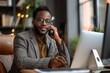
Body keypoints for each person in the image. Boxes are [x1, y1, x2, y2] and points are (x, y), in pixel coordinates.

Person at [9, 6, 70, 73]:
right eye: (40, 20)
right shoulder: (21, 38)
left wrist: (58, 40)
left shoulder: (52, 40)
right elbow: (20, 62)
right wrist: (49, 62)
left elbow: (66, 63)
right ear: (33, 22)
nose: (44, 23)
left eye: (47, 21)